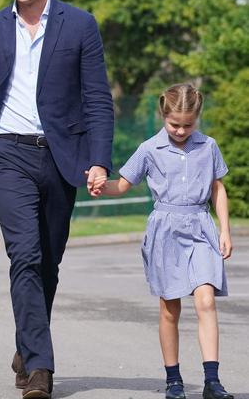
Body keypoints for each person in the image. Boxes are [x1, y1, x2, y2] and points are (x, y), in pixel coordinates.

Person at [0, 0, 114, 398]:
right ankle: (40, 369)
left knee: (49, 261)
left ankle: (27, 346)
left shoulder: (80, 25)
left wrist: (99, 160)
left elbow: (98, 99)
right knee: (23, 255)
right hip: (7, 153)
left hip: (62, 156)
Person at [91, 84, 234, 399]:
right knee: (170, 308)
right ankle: (174, 380)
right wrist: (102, 185)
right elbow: (124, 185)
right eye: (175, 124)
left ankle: (212, 381)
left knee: (206, 301)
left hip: (200, 227)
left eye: (188, 124)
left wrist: (224, 229)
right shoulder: (148, 149)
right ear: (163, 115)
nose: (181, 130)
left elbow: (217, 189)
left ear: (197, 119)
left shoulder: (208, 146)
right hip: (165, 230)